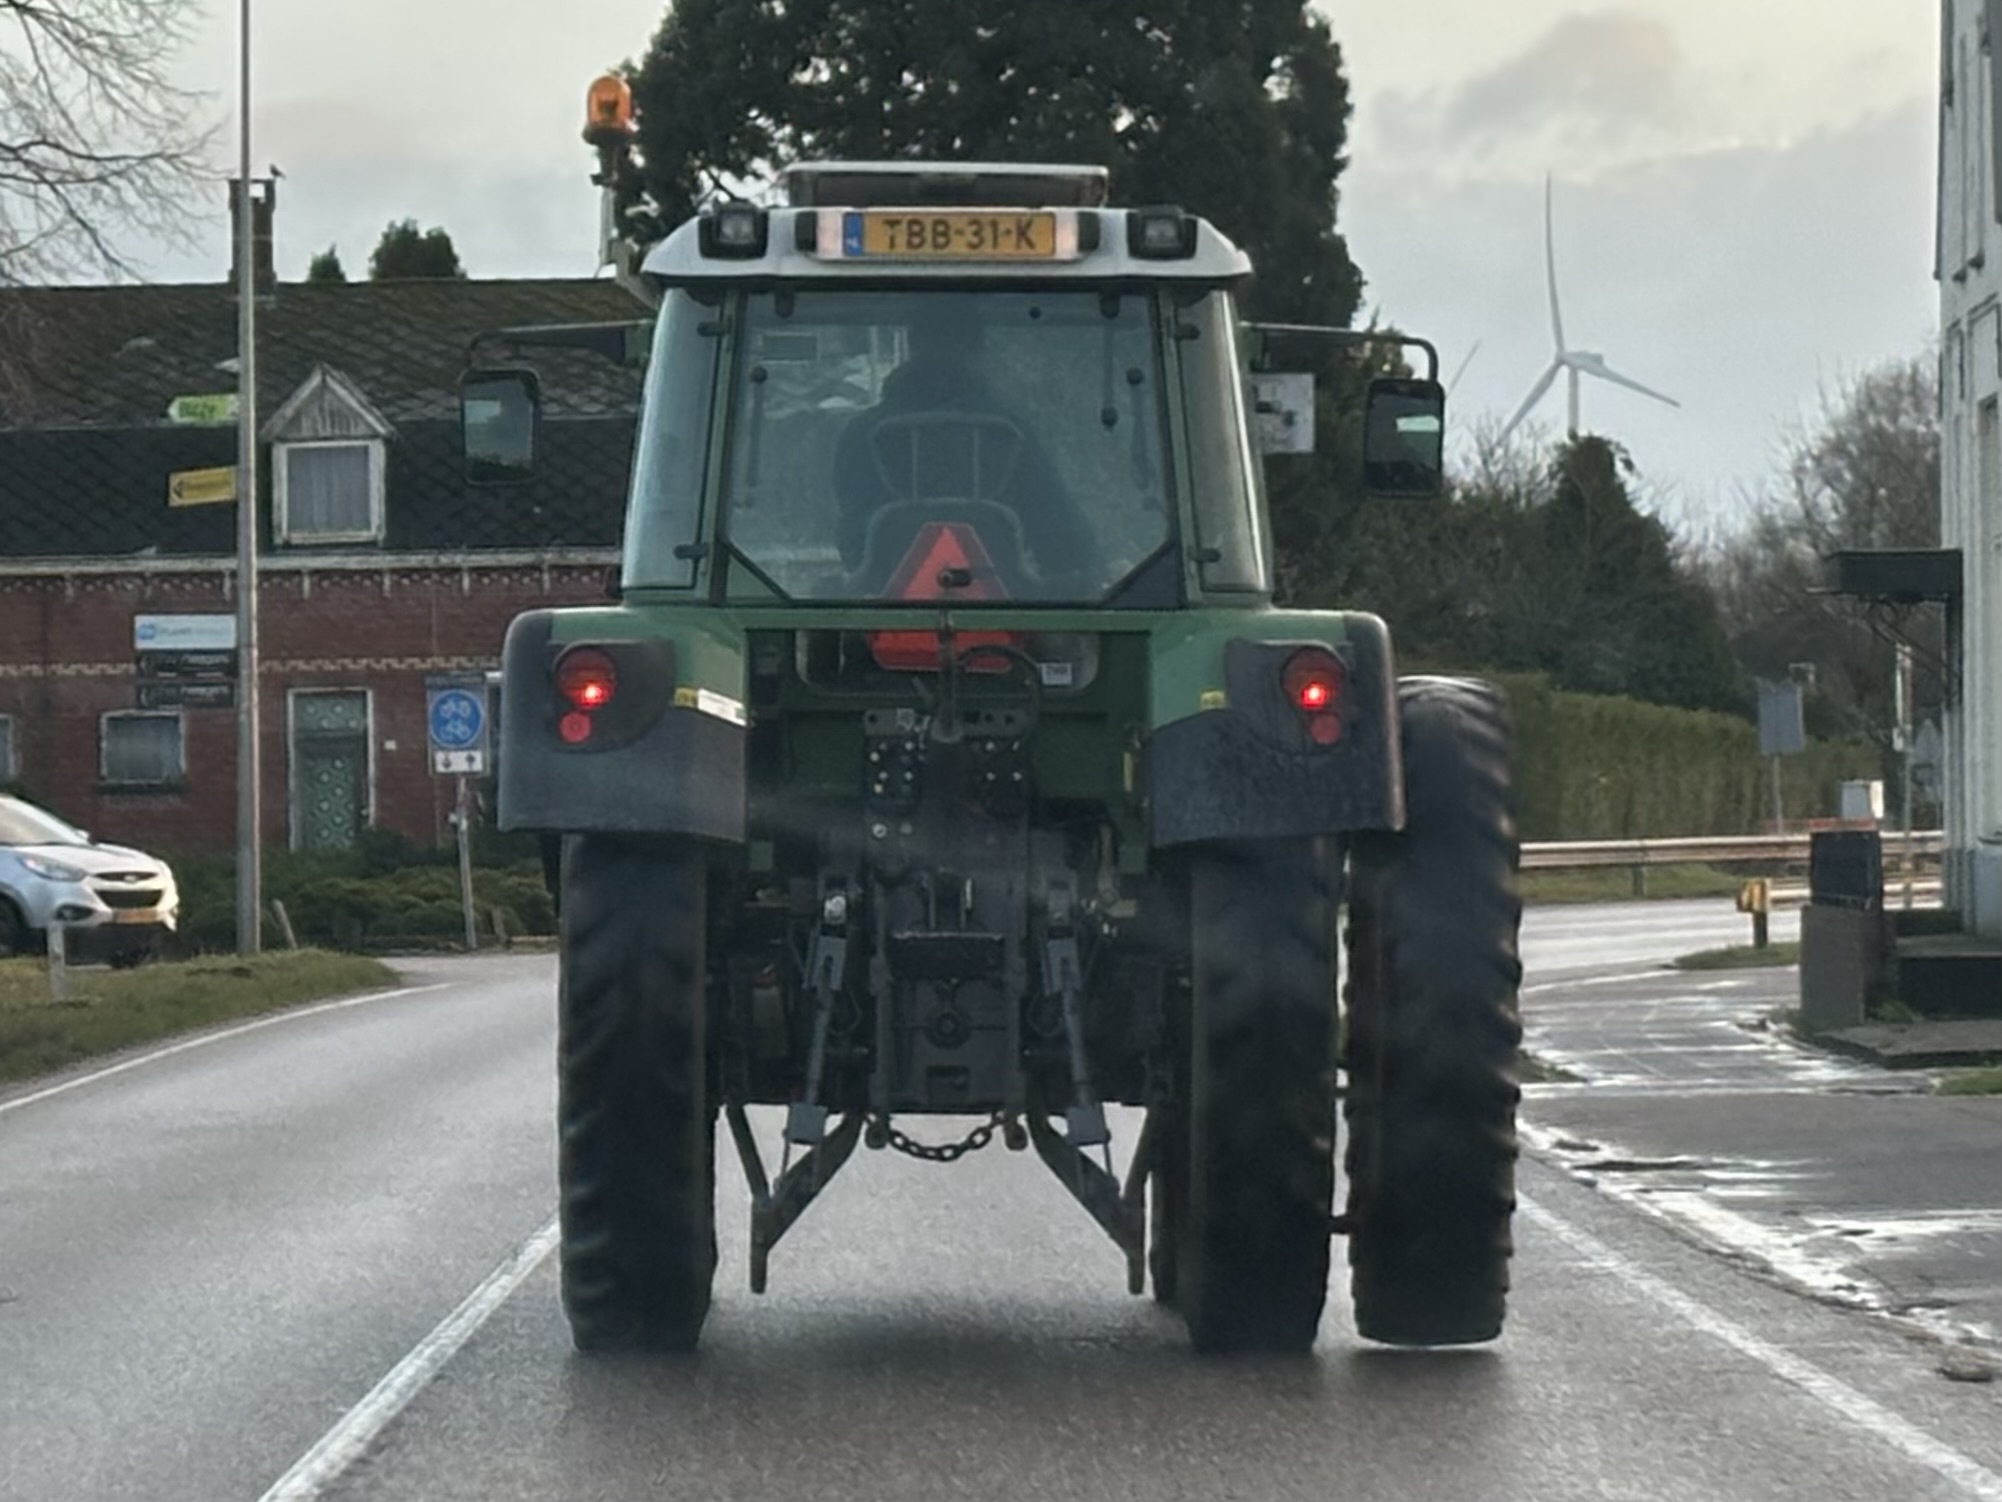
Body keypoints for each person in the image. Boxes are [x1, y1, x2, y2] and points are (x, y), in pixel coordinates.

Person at [833, 304, 1096, 584]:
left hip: (881, 605)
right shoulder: (1012, 430)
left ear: (913, 344)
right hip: (1004, 604)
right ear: (978, 349)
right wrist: (1081, 578)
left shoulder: (862, 432)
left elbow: (853, 533)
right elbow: (1056, 526)